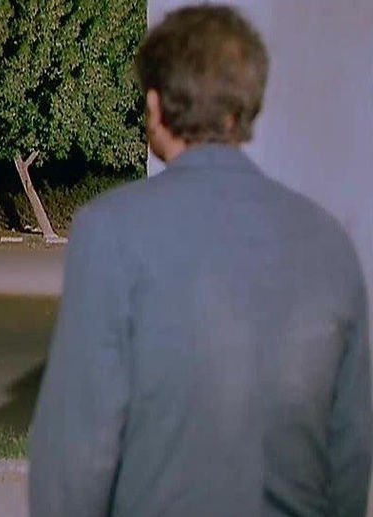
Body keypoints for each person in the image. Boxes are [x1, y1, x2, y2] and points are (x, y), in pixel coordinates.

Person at [28, 5, 372, 517]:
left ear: (155, 103)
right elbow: (349, 454)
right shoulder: (328, 242)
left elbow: (75, 459)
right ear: (243, 108)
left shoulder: (111, 233)